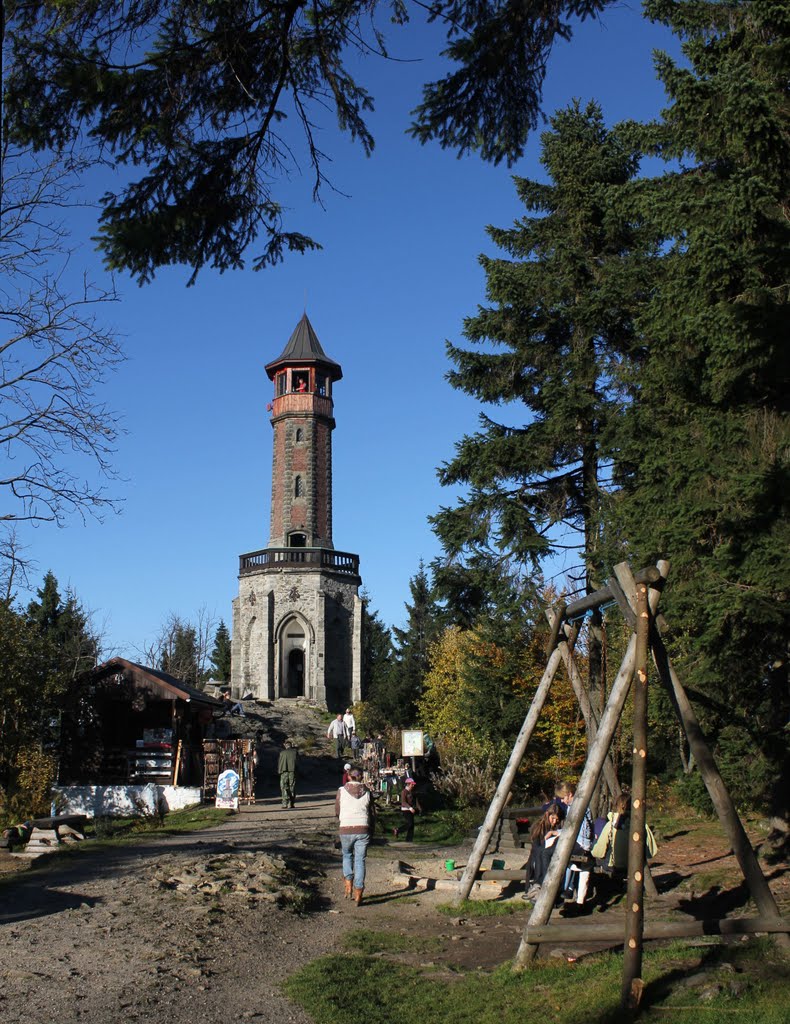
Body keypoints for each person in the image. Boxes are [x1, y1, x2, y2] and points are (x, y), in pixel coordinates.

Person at [335, 767, 374, 905]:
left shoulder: (341, 791)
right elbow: (371, 812)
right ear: (361, 777)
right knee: (360, 860)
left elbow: (337, 810)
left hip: (346, 828)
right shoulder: (367, 792)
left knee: (347, 855)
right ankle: (359, 892)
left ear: (349, 777)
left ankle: (348, 883)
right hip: (363, 828)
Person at [555, 781, 595, 912]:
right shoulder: (570, 807)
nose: (562, 800)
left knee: (560, 854)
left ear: (569, 794)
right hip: (577, 841)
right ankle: (568, 889)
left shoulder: (579, 808)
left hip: (582, 844)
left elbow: (584, 831)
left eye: (563, 797)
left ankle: (566, 889)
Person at [523, 804, 565, 900]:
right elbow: (536, 847)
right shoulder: (539, 826)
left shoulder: (558, 827)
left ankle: (538, 887)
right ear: (547, 815)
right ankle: (537, 886)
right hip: (539, 856)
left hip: (552, 855)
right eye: (552, 818)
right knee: (540, 853)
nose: (554, 822)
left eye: (557, 820)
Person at [277, 740, 298, 808]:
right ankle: (292, 803)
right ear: (291, 745)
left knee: (284, 787)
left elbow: (280, 763)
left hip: (284, 771)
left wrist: (279, 771)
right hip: (293, 771)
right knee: (292, 787)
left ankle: (285, 803)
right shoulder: (295, 752)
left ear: (285, 746)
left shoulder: (282, 753)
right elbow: (298, 762)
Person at [399, 777, 420, 842]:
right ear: (408, 784)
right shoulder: (404, 792)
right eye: (412, 784)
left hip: (411, 809)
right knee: (409, 823)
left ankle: (409, 839)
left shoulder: (411, 792)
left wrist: (418, 808)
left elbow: (415, 801)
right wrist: (410, 808)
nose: (413, 785)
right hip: (405, 810)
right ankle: (398, 830)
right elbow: (403, 802)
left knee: (412, 825)